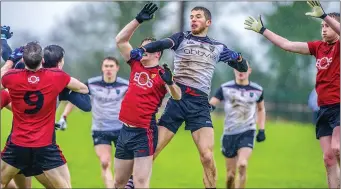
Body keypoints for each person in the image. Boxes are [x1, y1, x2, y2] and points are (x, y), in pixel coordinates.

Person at [127, 4, 248, 188]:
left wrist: (239, 59)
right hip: (177, 99)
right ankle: (132, 183)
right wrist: (144, 50)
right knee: (153, 150)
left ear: (208, 22)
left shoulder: (218, 47)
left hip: (199, 104)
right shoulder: (181, 37)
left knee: (207, 156)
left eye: (198, 16)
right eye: (191, 16)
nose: (193, 19)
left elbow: (243, 68)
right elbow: (161, 44)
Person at [244, 1, 340, 188]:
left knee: (337, 148)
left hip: (339, 106)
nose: (324, 29)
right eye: (322, 26)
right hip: (323, 108)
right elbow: (287, 44)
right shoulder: (318, 47)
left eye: (328, 26)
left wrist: (324, 15)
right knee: (328, 158)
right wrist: (263, 30)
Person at [0, 42, 89, 188]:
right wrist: (65, 90)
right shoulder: (56, 77)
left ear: (23, 60)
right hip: (44, 146)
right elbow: (83, 89)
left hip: (18, 144)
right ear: (43, 60)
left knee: (2, 182)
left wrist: (10, 60)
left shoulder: (12, 77)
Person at [114, 2, 182, 188]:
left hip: (144, 133)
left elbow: (177, 97)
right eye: (142, 48)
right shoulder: (135, 64)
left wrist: (170, 82)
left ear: (157, 53)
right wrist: (138, 20)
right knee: (119, 182)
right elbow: (120, 40)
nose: (142, 51)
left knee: (140, 182)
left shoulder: (162, 74)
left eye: (147, 48)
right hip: (125, 131)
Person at [58, 56, 129, 188]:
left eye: (111, 66)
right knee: (105, 162)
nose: (108, 69)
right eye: (106, 66)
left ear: (117, 68)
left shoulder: (125, 85)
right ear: (102, 68)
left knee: (123, 166)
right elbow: (75, 98)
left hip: (121, 129)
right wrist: (64, 116)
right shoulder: (92, 83)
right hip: (100, 129)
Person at [209, 61, 266, 189]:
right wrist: (207, 109)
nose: (241, 71)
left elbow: (261, 109)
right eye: (238, 68)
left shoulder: (257, 90)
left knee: (242, 164)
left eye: (244, 68)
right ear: (234, 70)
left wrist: (261, 129)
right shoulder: (225, 88)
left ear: (249, 70)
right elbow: (212, 103)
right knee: (230, 175)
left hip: (247, 131)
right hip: (229, 133)